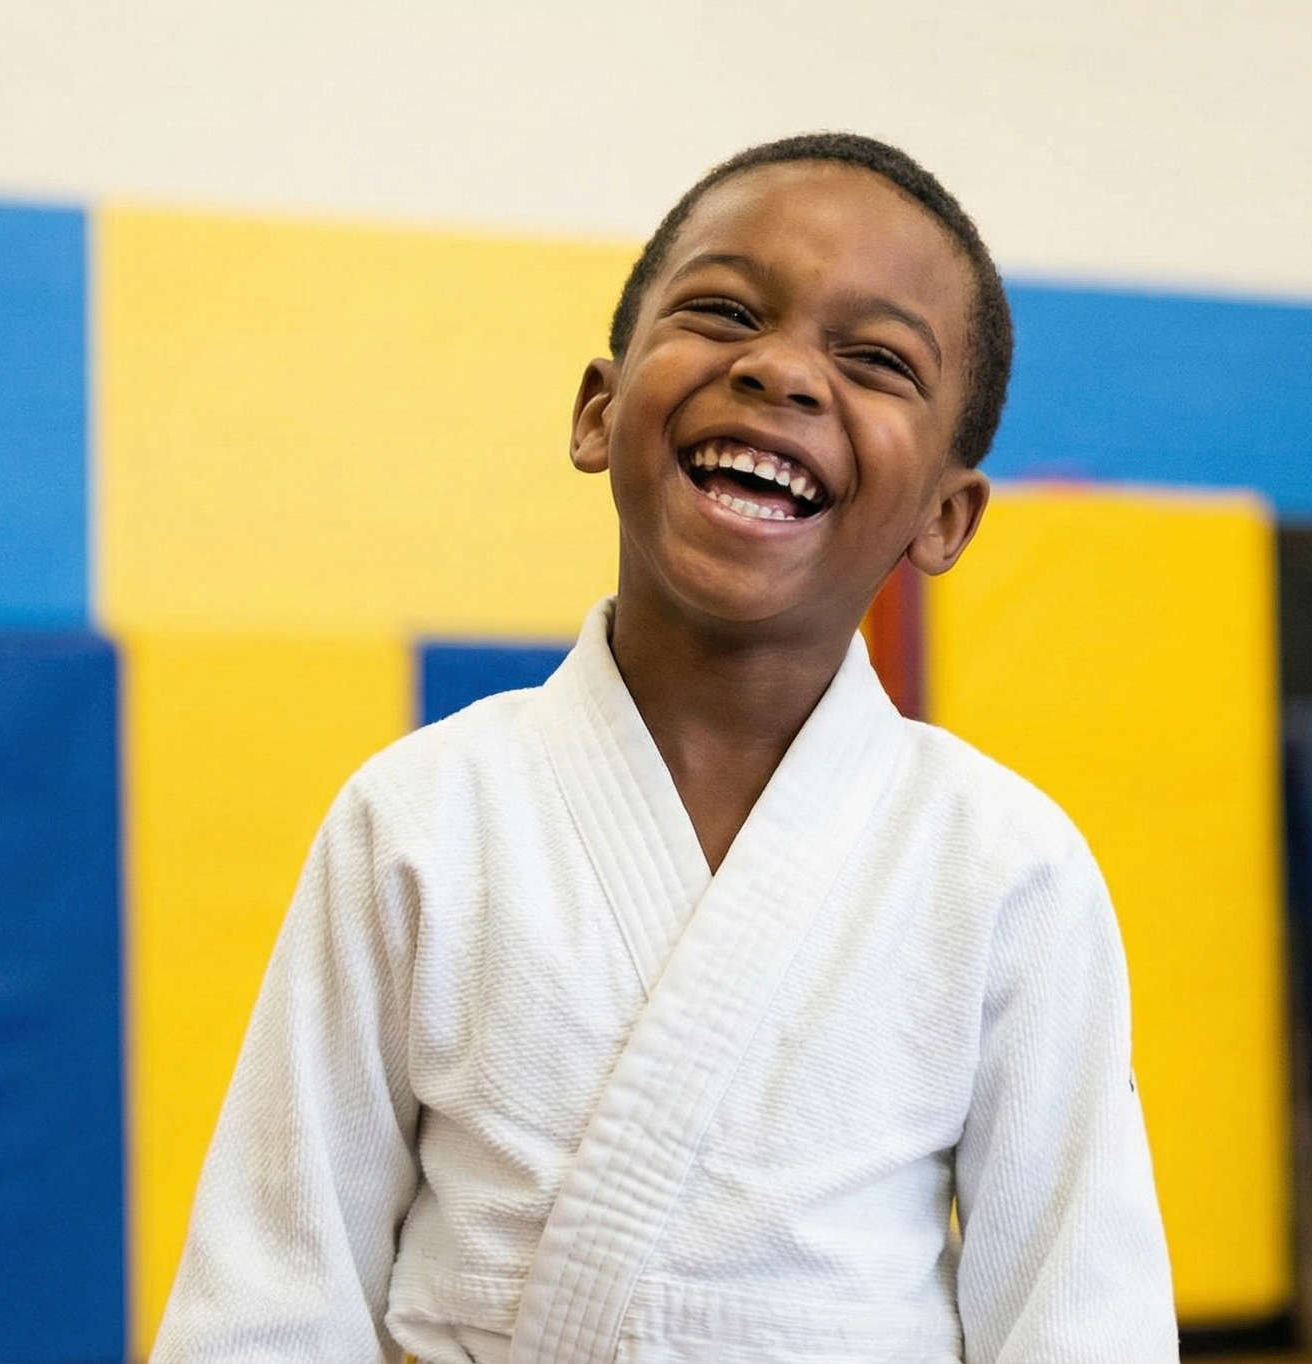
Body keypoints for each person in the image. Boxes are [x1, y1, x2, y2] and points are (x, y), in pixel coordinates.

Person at [152, 132, 1178, 1364]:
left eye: (874, 359)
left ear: (943, 516)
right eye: (724, 309)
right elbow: (273, 1286)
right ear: (598, 411)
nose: (783, 371)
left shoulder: (1006, 865)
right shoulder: (423, 815)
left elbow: (1081, 1317)